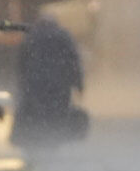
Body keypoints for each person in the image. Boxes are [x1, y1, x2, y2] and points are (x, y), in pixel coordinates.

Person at [11, 12, 86, 146]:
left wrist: (22, 83)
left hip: (34, 85)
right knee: (56, 114)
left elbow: (21, 62)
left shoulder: (31, 37)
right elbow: (73, 61)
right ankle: (54, 140)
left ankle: (37, 140)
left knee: (36, 114)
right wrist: (79, 84)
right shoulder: (63, 36)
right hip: (59, 85)